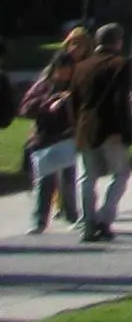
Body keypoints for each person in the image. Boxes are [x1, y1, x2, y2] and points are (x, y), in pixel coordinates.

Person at [68, 22, 132, 242]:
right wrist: (126, 129)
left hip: (85, 126)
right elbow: (122, 101)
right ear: (117, 42)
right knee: (121, 173)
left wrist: (76, 125)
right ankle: (105, 218)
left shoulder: (81, 66)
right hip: (112, 128)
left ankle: (88, 222)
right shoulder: (121, 64)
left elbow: (73, 101)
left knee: (86, 178)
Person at [19, 48, 78, 233]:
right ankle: (39, 221)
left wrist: (69, 101)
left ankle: (72, 216)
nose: (65, 74)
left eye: (69, 70)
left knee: (68, 180)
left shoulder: (75, 86)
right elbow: (26, 108)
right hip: (45, 138)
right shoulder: (44, 85)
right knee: (45, 181)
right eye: (62, 69)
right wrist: (50, 101)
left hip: (67, 137)